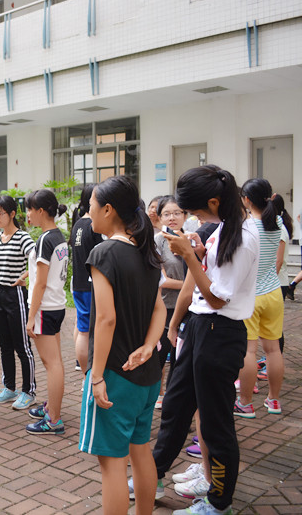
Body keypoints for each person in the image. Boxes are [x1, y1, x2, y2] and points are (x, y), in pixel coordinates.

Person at [152, 166, 259, 515]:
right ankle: (153, 475)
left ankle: (218, 502)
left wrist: (188, 256)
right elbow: (209, 278)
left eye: (196, 210)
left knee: (215, 424)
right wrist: (198, 251)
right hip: (201, 327)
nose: (193, 217)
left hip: (221, 332)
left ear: (214, 201)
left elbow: (217, 298)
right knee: (176, 407)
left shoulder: (243, 236)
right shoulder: (223, 228)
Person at [77, 176, 166, 515]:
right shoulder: (147, 251)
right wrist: (148, 346)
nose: (89, 214)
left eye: (91, 208)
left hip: (115, 375)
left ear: (108, 210)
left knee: (112, 465)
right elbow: (159, 308)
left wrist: (96, 376)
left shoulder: (104, 252)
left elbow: (106, 320)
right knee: (140, 451)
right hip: (147, 374)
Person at [234, 179, 284, 417]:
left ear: (246, 200)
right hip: (273, 293)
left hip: (252, 296)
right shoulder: (278, 222)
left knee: (249, 352)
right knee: (273, 350)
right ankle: (274, 400)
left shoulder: (247, 227)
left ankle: (244, 403)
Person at [23, 190, 69, 435]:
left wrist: (30, 317)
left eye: (30, 209)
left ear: (41, 211)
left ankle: (54, 418)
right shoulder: (58, 236)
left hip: (44, 307)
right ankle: (52, 407)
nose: (28, 214)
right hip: (57, 305)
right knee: (56, 363)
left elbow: (40, 283)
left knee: (52, 365)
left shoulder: (44, 240)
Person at [0, 195, 37, 410]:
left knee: (22, 346)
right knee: (4, 345)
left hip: (16, 295)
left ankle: (29, 391)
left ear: (12, 214)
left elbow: (37, 260)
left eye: (1, 213)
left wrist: (23, 276)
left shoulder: (23, 238)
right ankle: (9, 388)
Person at [153, 195, 188, 408]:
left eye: (177, 213)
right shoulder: (158, 241)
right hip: (164, 309)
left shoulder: (191, 239)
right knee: (159, 357)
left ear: (185, 215)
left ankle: (175, 399)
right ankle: (158, 394)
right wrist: (192, 284)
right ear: (160, 217)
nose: (172, 217)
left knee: (180, 359)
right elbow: (163, 280)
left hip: (188, 308)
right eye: (167, 214)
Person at [70, 184, 103, 373]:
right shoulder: (93, 225)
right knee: (87, 330)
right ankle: (86, 373)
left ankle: (81, 366)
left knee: (81, 326)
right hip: (91, 285)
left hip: (79, 283)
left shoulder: (78, 224)